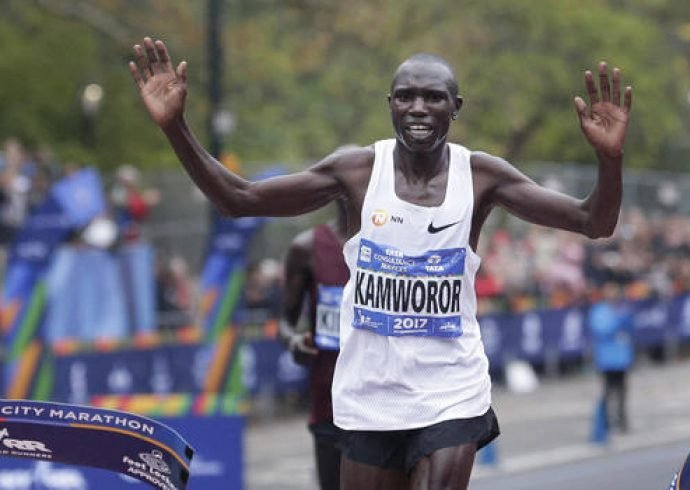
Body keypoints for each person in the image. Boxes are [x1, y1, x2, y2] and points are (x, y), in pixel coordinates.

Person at [129, 37, 632, 490]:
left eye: (433, 97)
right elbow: (239, 199)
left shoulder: (480, 177)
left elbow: (593, 221)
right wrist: (176, 128)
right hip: (369, 394)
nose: (418, 108)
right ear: (389, 104)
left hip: (450, 389)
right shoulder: (356, 171)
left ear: (455, 107)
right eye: (405, 97)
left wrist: (609, 160)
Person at [277, 200, 349, 490]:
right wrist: (294, 340)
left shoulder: (397, 240)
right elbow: (285, 322)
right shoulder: (306, 247)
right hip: (331, 398)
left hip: (390, 400)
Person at [587, 280, 634, 433]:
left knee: (622, 391)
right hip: (607, 358)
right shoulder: (599, 311)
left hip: (622, 357)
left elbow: (630, 328)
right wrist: (617, 320)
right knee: (608, 391)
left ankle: (622, 420)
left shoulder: (623, 308)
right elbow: (601, 330)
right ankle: (605, 421)